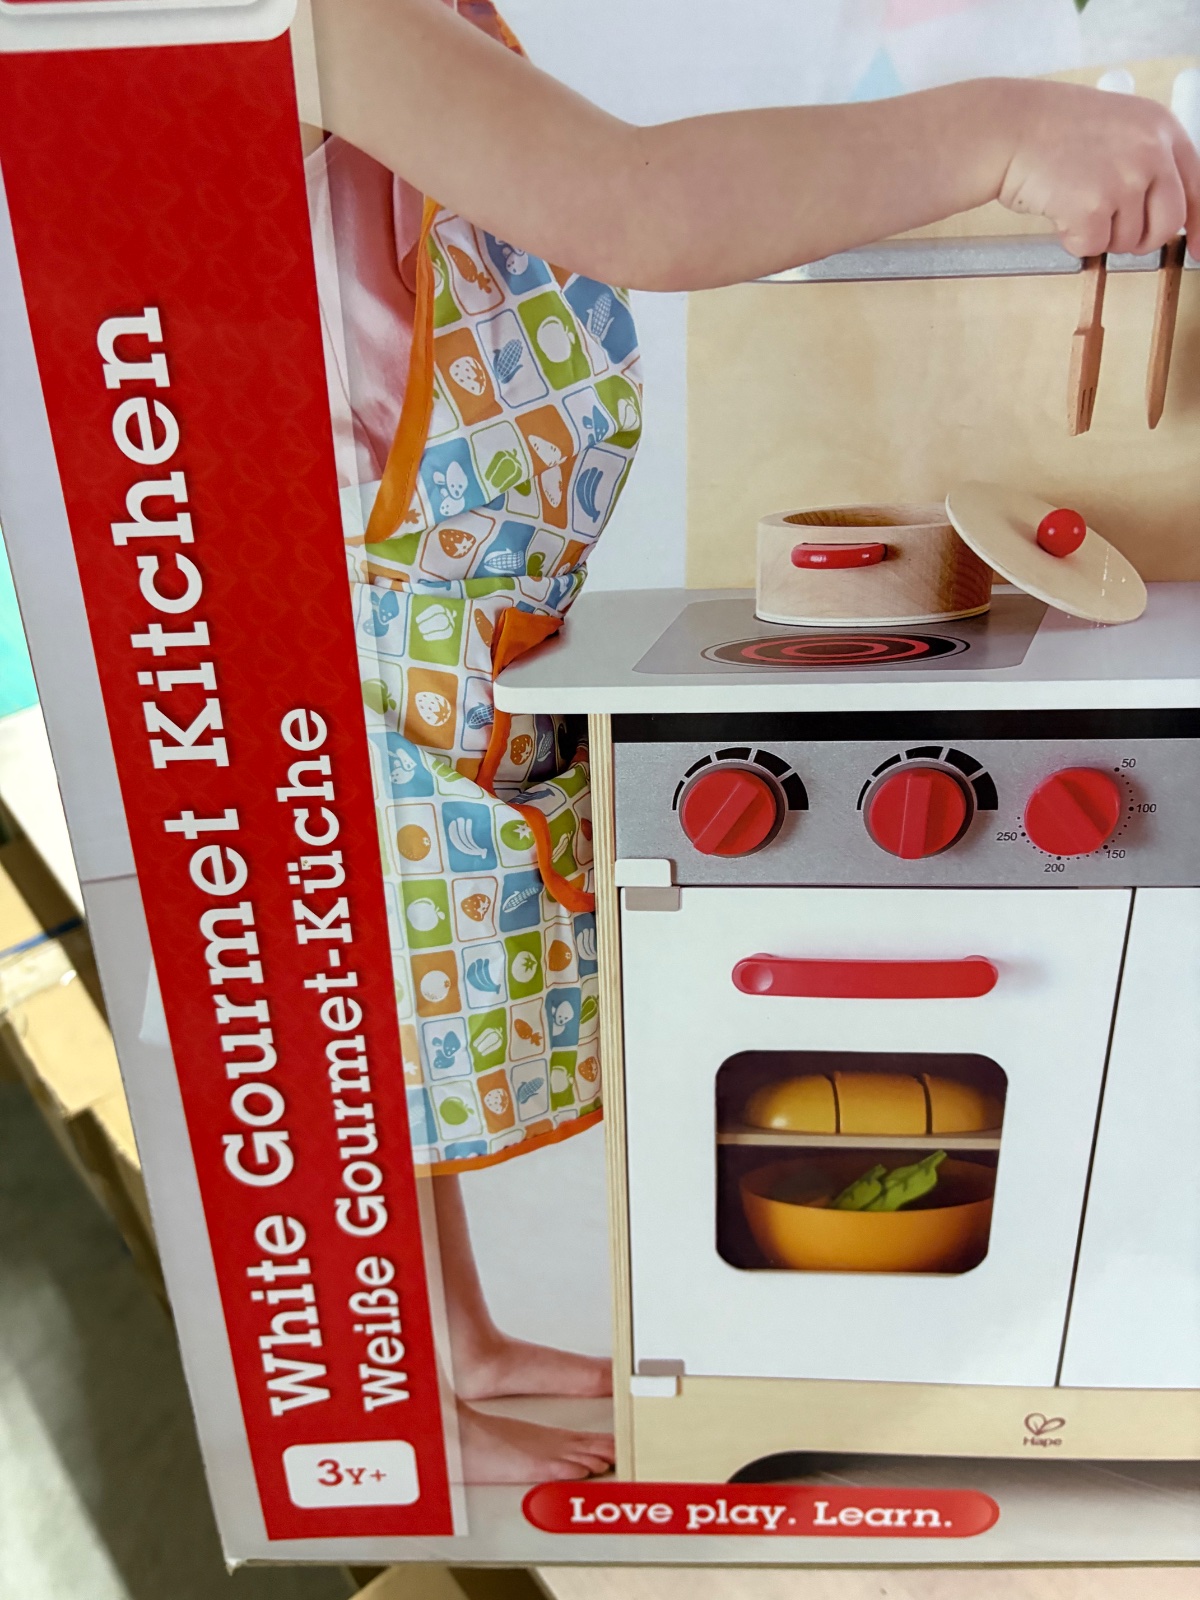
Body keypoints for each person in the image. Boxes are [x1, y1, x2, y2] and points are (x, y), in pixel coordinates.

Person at [299, 0, 1200, 1486]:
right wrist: (1007, 128)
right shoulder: (304, 10)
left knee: (403, 1010)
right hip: (325, 618)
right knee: (342, 1021)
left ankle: (450, 1342)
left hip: (437, 615)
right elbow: (638, 205)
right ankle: (385, 1403)